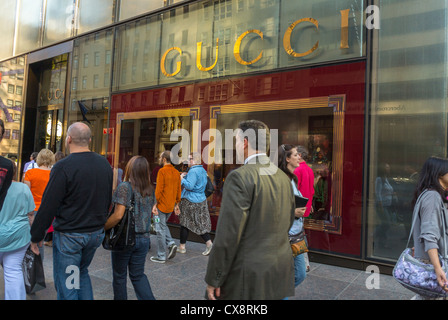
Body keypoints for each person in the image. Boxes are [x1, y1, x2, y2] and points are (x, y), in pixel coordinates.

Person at [205, 120, 295, 300]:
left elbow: (228, 234)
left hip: (247, 276)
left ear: (245, 142)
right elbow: (288, 221)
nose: (236, 146)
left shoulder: (239, 176)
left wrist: (214, 277)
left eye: (236, 141)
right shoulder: (283, 177)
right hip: (279, 270)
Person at [30, 122, 113, 300]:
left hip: (71, 235)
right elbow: (108, 198)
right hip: (94, 232)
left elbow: (48, 205)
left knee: (68, 283)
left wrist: (36, 236)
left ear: (68, 139)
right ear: (89, 140)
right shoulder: (104, 164)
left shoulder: (63, 167)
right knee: (80, 273)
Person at [105, 156, 156, 300]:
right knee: (138, 275)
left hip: (126, 238)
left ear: (130, 169)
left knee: (120, 276)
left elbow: (118, 216)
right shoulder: (150, 189)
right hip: (144, 239)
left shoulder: (125, 187)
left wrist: (103, 227)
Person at [410, 157, 448, 300]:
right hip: (433, 263)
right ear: (439, 174)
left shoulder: (431, 195)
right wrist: (438, 268)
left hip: (432, 261)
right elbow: (429, 235)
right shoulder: (432, 196)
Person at [0, 160, 35, 300]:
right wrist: (35, 237)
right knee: (13, 270)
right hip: (18, 236)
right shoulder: (23, 188)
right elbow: (31, 215)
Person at [278, 144, 307, 288]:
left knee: (293, 274)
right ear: (287, 159)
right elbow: (271, 207)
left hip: (296, 233)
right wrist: (293, 212)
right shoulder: (280, 179)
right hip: (286, 236)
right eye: (296, 155)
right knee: (299, 273)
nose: (299, 157)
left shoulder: (292, 179)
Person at [177, 152, 213, 255]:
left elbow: (189, 186)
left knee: (186, 223)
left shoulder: (193, 171)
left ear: (194, 160)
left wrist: (182, 178)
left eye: (189, 159)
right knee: (197, 222)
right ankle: (182, 246)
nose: (188, 161)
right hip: (200, 199)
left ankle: (209, 244)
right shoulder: (202, 170)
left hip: (190, 200)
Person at [150, 150, 181, 264]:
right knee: (162, 226)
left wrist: (155, 204)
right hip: (170, 205)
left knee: (159, 229)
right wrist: (177, 204)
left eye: (160, 157)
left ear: (164, 159)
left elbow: (159, 191)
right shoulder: (176, 172)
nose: (159, 159)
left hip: (161, 206)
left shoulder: (162, 171)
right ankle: (171, 244)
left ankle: (161, 255)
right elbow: (179, 190)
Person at [24, 149, 55, 255]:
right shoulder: (53, 175)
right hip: (46, 212)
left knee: (29, 239)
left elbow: (26, 194)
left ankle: (28, 266)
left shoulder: (30, 173)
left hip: (31, 211)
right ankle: (38, 266)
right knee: (40, 241)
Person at [293, 146, 314, 272]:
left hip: (297, 208)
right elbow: (311, 190)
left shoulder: (298, 170)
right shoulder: (309, 170)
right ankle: (304, 262)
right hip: (305, 206)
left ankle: (304, 262)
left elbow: (295, 191)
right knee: (300, 233)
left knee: (298, 235)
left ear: (299, 155)